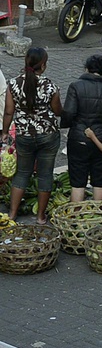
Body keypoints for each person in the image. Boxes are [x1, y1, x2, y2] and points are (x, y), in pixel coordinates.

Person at [1, 48, 62, 224]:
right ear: (43, 65)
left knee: (22, 174)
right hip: (48, 135)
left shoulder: (13, 84)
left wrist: (5, 132)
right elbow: (58, 111)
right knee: (45, 175)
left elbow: (8, 112)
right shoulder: (50, 85)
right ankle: (41, 216)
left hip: (24, 135)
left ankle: (12, 214)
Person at [62, 55, 102, 202]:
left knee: (77, 182)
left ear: (87, 69)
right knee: (100, 181)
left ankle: (76, 217)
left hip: (79, 139)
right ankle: (98, 217)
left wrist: (67, 125)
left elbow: (68, 112)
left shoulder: (76, 86)